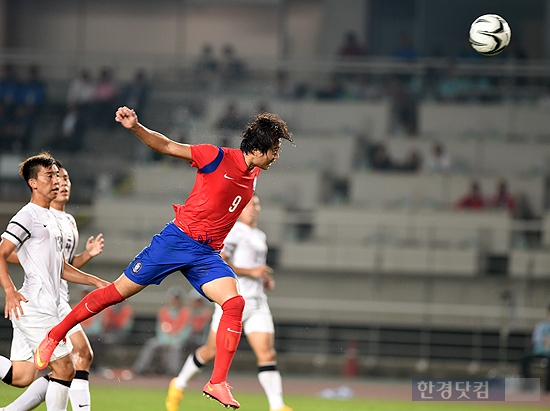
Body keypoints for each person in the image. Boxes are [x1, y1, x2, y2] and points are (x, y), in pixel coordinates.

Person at [34, 106, 294, 409]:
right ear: (259, 148)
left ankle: (218, 382)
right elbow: (168, 146)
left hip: (206, 254)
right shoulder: (215, 156)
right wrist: (136, 127)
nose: (276, 156)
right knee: (115, 293)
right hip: (176, 241)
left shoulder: (254, 174)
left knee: (234, 303)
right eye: (274, 150)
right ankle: (56, 334)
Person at [0, 152, 109, 411]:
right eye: (50, 176)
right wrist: (10, 291)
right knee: (65, 367)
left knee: (21, 377)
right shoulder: (27, 215)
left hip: (48, 305)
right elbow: (2, 253)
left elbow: (61, 268)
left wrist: (95, 281)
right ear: (33, 183)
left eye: (58, 176)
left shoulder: (54, 219)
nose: (57, 181)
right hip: (34, 307)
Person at [165, 195, 292, 411]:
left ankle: (277, 406)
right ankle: (179, 383)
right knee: (210, 351)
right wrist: (251, 272)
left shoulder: (259, 234)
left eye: (257, 205)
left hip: (258, 303)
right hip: (232, 301)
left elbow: (253, 266)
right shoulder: (234, 232)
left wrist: (263, 278)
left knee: (267, 354)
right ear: (240, 209)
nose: (253, 209)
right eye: (249, 205)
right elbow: (220, 259)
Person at [132, 287, 211, 376]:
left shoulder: (187, 312)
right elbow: (160, 329)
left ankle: (173, 372)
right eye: (174, 298)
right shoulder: (164, 311)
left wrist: (173, 340)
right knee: (151, 344)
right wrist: (166, 341)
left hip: (179, 340)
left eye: (177, 298)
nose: (175, 300)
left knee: (176, 347)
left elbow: (186, 331)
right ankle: (139, 368)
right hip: (165, 339)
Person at [519, 304, 550, 392]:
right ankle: (527, 385)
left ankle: (547, 388)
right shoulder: (541, 325)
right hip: (540, 350)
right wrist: (544, 340)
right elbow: (536, 339)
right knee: (524, 358)